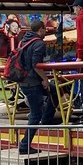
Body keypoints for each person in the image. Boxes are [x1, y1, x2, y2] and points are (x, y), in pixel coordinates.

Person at [15, 20, 52, 155]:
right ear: (41, 29)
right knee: (36, 114)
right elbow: (36, 64)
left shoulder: (23, 41)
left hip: (23, 80)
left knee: (53, 91)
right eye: (45, 29)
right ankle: (25, 145)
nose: (46, 31)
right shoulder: (39, 43)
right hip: (33, 82)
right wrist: (45, 79)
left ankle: (47, 119)